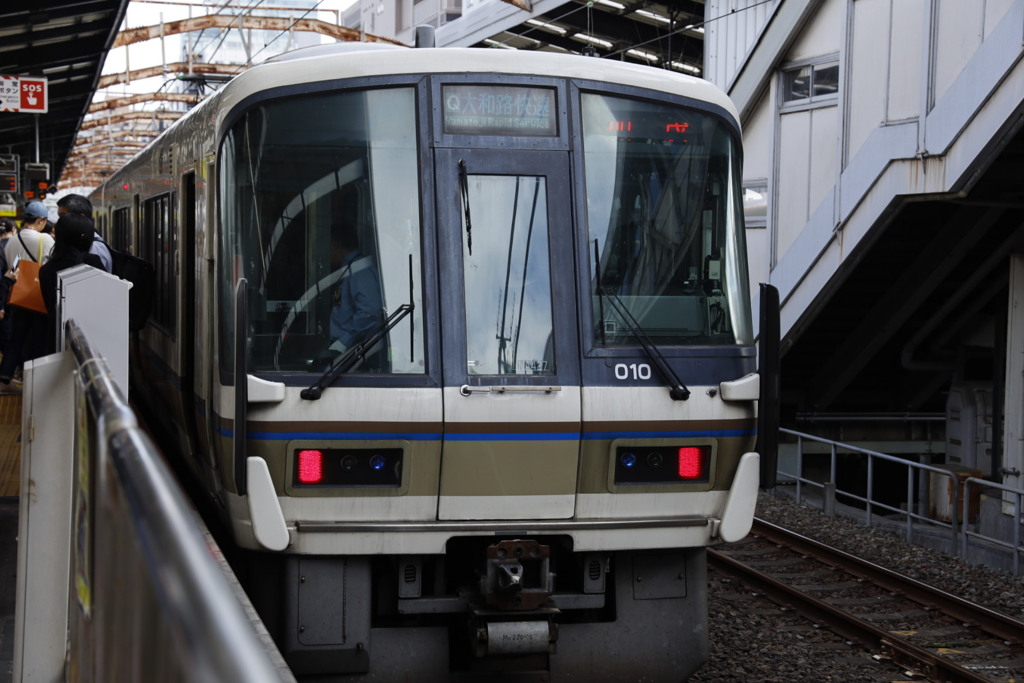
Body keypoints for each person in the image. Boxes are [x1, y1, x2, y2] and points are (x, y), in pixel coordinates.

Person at [0, 201, 56, 390]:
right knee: (39, 338)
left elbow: (13, 266)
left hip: (18, 296)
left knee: (16, 337)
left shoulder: (12, 241)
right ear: (40, 220)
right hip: (38, 296)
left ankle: (5, 373)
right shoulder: (45, 239)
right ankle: (35, 379)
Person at [39, 213, 104, 354]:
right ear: (83, 237)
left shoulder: (45, 270)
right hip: (90, 339)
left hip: (54, 339)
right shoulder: (91, 262)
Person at [326, 222, 386, 371]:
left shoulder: (359, 270)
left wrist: (344, 341)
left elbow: (369, 312)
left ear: (335, 245)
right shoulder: (349, 268)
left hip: (353, 350)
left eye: (329, 247)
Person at [57, 193, 112, 273]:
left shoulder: (94, 247)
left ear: (81, 217)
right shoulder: (78, 242)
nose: (59, 222)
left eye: (63, 216)